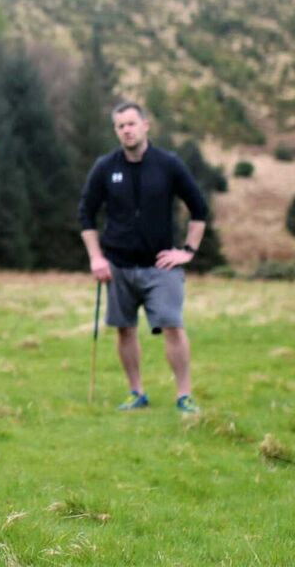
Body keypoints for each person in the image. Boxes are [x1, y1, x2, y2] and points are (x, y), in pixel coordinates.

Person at [78, 101, 208, 414]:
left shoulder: (168, 164)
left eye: (132, 123)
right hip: (118, 266)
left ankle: (184, 396)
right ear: (116, 131)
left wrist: (187, 252)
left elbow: (199, 209)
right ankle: (136, 393)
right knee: (125, 329)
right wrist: (96, 258)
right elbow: (86, 214)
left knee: (173, 326)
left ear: (145, 126)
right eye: (121, 125)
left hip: (161, 265)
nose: (127, 130)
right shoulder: (105, 167)